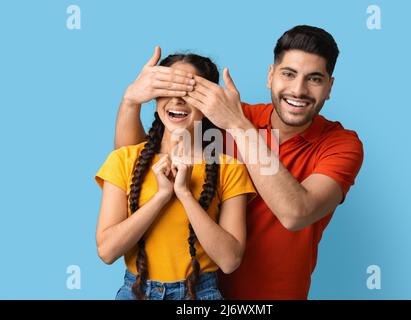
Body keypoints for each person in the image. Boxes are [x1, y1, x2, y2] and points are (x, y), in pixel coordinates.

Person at [114, 25, 364, 299]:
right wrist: (130, 101)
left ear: (329, 87)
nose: (298, 89)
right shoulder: (223, 119)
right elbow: (136, 167)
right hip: (198, 292)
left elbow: (295, 213)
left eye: (315, 79)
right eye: (288, 74)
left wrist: (235, 124)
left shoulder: (340, 144)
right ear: (271, 76)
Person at [94, 53, 256, 300]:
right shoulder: (123, 159)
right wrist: (161, 196)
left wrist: (184, 194)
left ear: (208, 104)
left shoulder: (229, 168)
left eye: (190, 92)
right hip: (135, 291)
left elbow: (230, 260)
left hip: (200, 294)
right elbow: (107, 251)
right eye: (168, 88)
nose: (178, 99)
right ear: (156, 96)